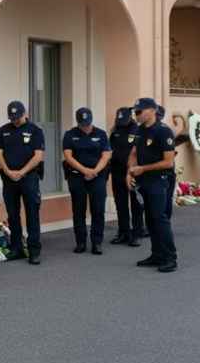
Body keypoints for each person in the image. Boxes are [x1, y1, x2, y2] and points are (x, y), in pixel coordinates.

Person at [127, 97, 178, 273]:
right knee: (149, 219)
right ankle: (156, 254)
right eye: (135, 112)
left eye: (139, 111)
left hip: (159, 180)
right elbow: (133, 153)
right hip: (143, 180)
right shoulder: (139, 130)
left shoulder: (163, 132)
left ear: (152, 111)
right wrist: (130, 171)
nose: (136, 115)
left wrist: (143, 168)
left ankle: (170, 258)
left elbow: (168, 162)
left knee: (159, 218)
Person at [0, 100, 45, 264]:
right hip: (9, 178)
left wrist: (22, 172)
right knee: (12, 214)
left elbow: (38, 156)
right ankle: (16, 248)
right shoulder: (3, 130)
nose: (14, 120)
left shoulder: (35, 131)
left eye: (17, 117)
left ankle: (34, 250)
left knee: (32, 213)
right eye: (12, 117)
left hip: (29, 177)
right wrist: (8, 171)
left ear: (25, 114)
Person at [62, 107, 112, 255]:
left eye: (88, 123)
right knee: (78, 210)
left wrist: (94, 171)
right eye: (83, 123)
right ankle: (81, 242)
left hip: (97, 176)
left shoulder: (101, 134)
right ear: (78, 122)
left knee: (98, 210)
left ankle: (97, 242)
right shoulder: (70, 135)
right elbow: (68, 156)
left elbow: (106, 155)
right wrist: (85, 171)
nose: (86, 126)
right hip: (77, 176)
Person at [109, 106, 145, 247]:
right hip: (117, 171)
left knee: (136, 204)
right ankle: (123, 232)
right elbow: (110, 148)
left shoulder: (138, 130)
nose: (121, 122)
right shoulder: (115, 130)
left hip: (132, 172)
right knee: (120, 203)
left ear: (130, 117)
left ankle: (136, 233)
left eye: (123, 120)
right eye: (119, 120)